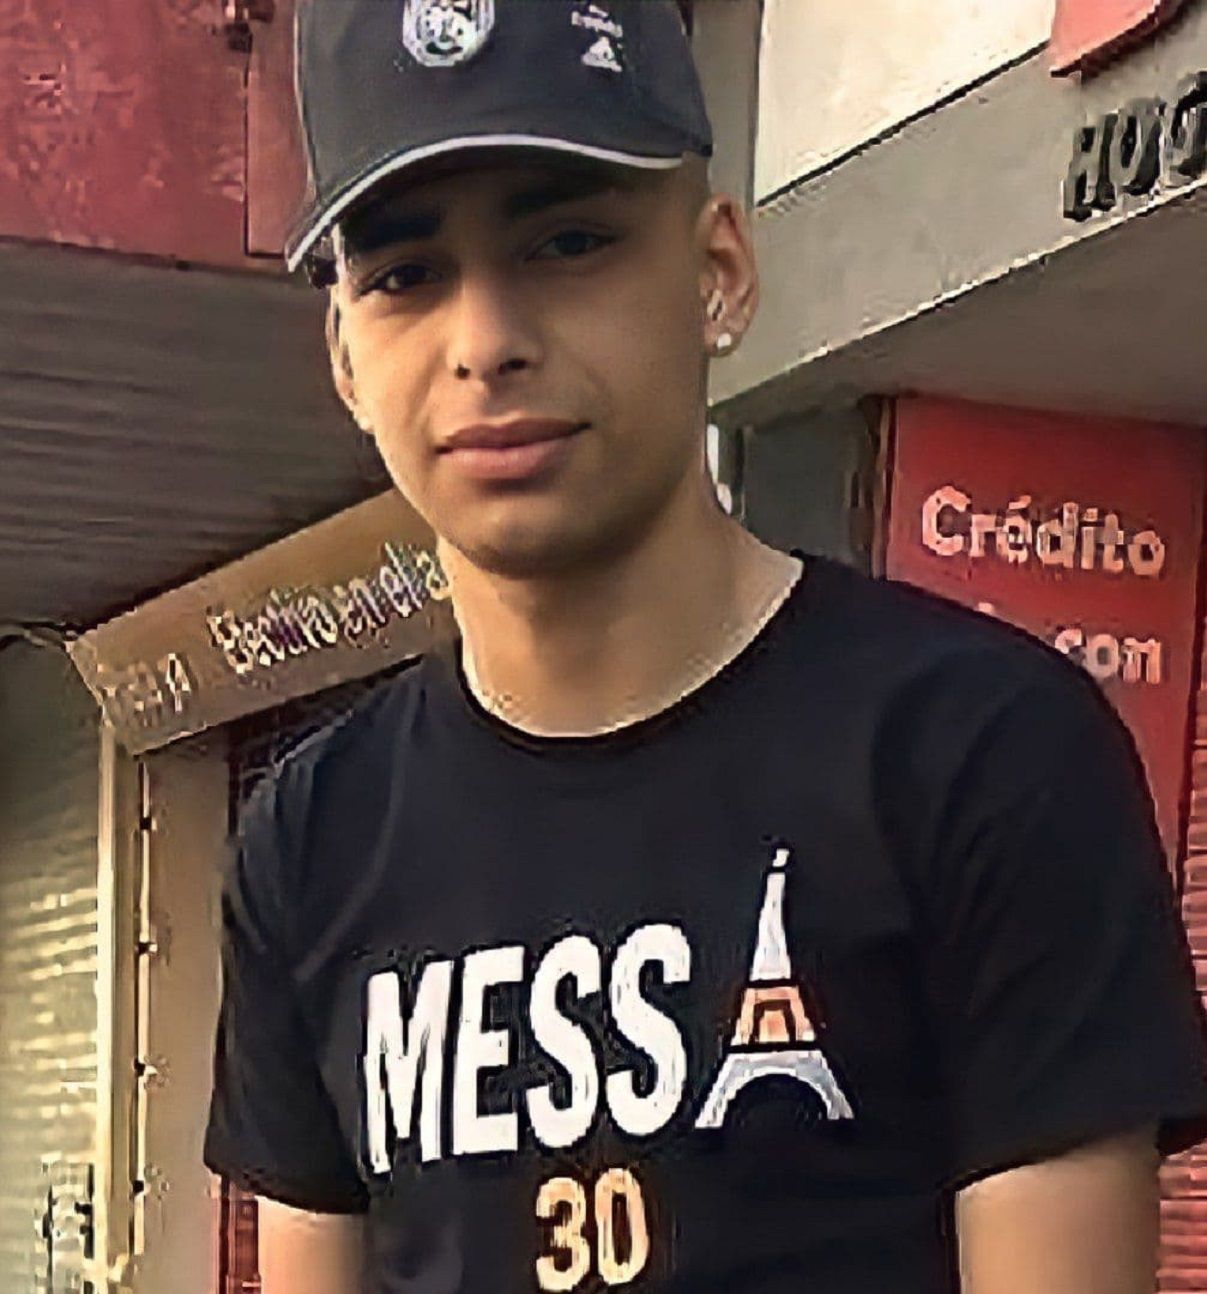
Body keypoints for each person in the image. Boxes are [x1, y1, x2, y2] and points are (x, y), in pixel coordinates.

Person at [203, 2, 1207, 1291]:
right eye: (405, 276)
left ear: (717, 270)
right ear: (346, 357)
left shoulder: (987, 753)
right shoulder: (309, 840)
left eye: (568, 242)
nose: (485, 342)